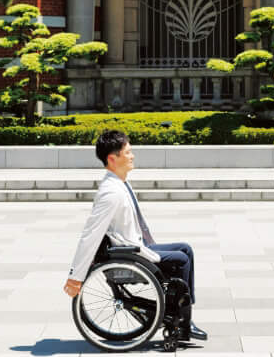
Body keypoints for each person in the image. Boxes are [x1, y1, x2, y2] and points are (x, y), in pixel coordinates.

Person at [64, 131, 203, 344]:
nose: (132, 156)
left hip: (136, 246)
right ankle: (181, 321)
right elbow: (91, 233)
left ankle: (185, 315)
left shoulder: (119, 183)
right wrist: (76, 276)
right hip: (129, 253)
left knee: (186, 249)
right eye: (127, 152)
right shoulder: (111, 192)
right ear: (112, 158)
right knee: (181, 260)